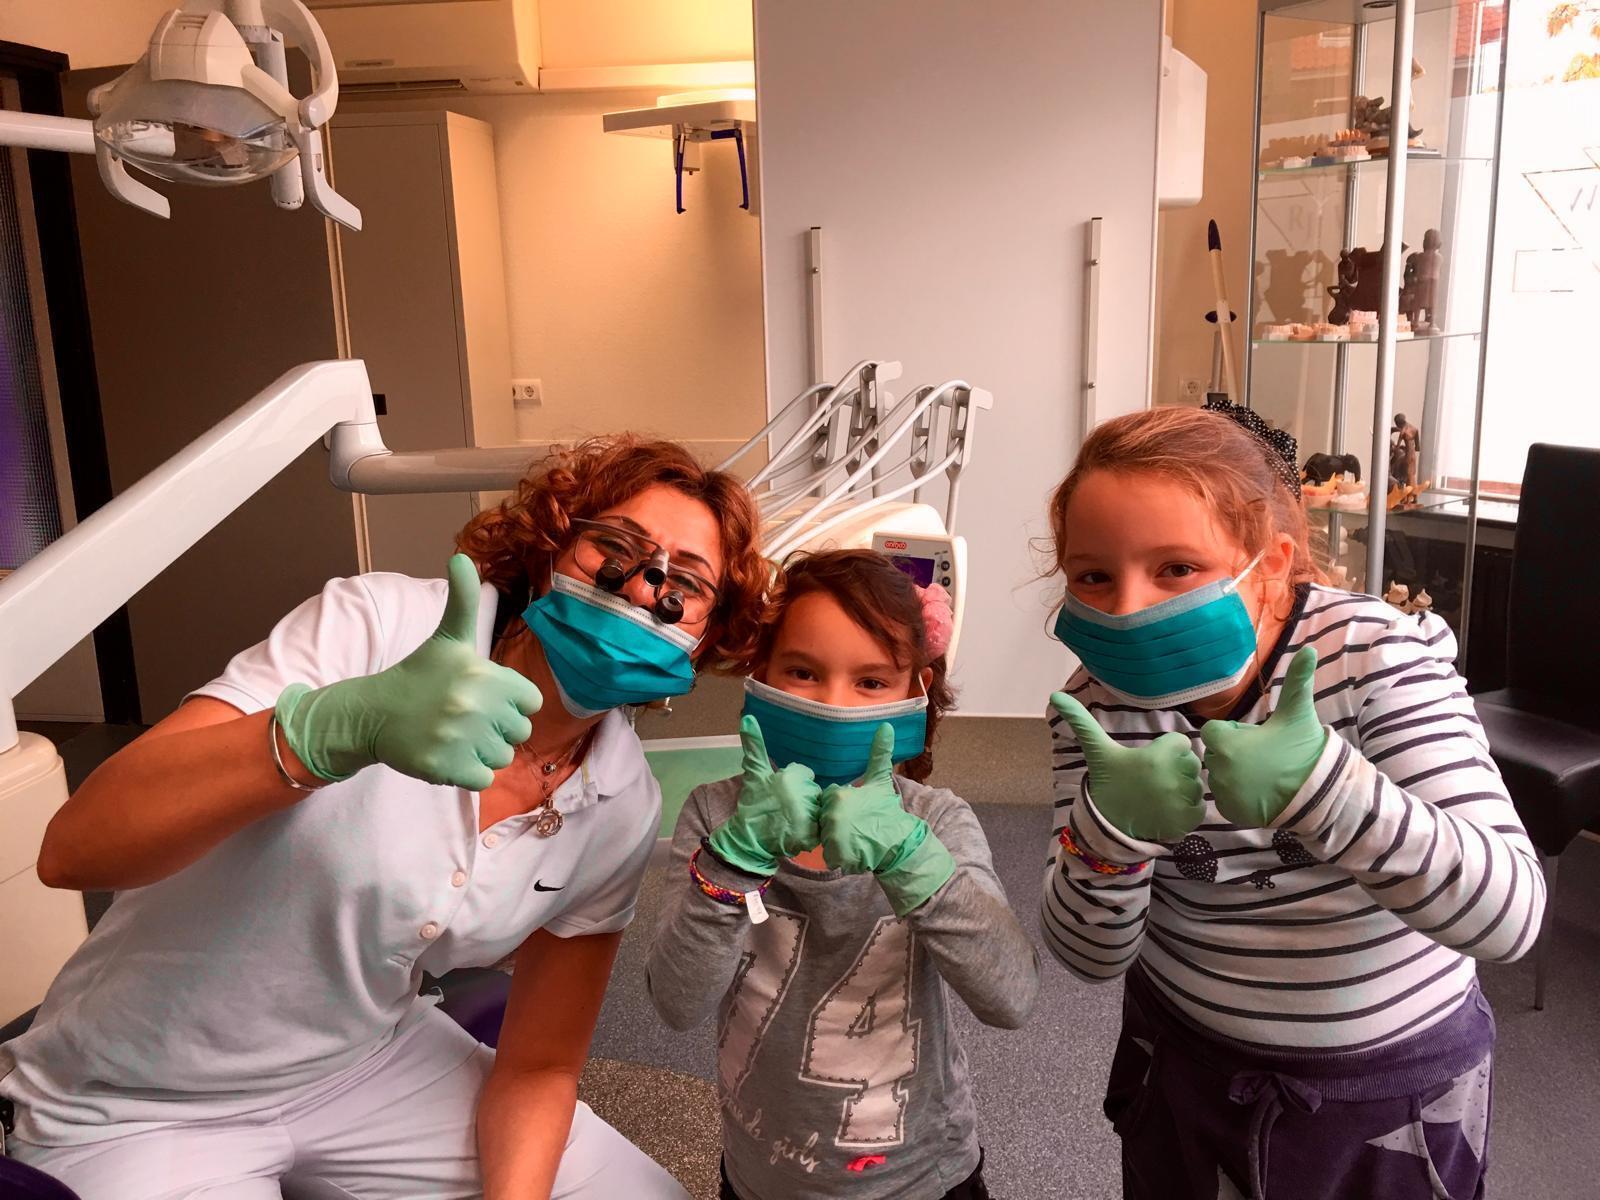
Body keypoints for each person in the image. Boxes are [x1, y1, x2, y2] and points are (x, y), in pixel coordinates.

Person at [0, 436, 768, 1200]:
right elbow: (74, 851)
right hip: (136, 1096)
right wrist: (327, 734)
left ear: (704, 636)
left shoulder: (621, 801)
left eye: (685, 583)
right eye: (616, 548)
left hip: (363, 1064)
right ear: (550, 551)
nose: (642, 590)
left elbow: (538, 1065)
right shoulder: (379, 626)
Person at [1038, 404, 1544, 1200]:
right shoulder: (1097, 707)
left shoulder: (1377, 657)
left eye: (1177, 567)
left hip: (1392, 1091)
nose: (1128, 608)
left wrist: (1324, 789)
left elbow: (1508, 917)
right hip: (1187, 1069)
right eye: (1093, 576)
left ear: (1271, 564)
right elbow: (1087, 956)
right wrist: (1108, 835)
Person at [646, 549, 1039, 1200]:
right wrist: (733, 862)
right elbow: (677, 1003)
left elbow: (1011, 998)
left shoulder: (936, 821)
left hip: (921, 1178)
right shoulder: (717, 815)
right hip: (760, 1173)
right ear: (761, 675)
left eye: (871, 682)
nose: (833, 704)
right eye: (802, 672)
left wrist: (912, 861)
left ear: (915, 694)